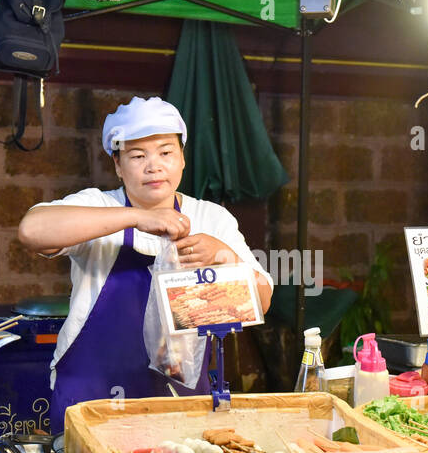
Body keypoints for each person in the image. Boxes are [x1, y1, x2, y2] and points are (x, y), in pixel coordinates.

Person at [17, 97, 272, 432]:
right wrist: (138, 217)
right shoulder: (98, 206)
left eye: (166, 152)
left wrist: (224, 257)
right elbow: (31, 230)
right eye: (138, 156)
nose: (154, 166)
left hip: (178, 400)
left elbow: (262, 303)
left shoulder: (211, 219)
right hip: (91, 399)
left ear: (182, 158)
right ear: (118, 166)